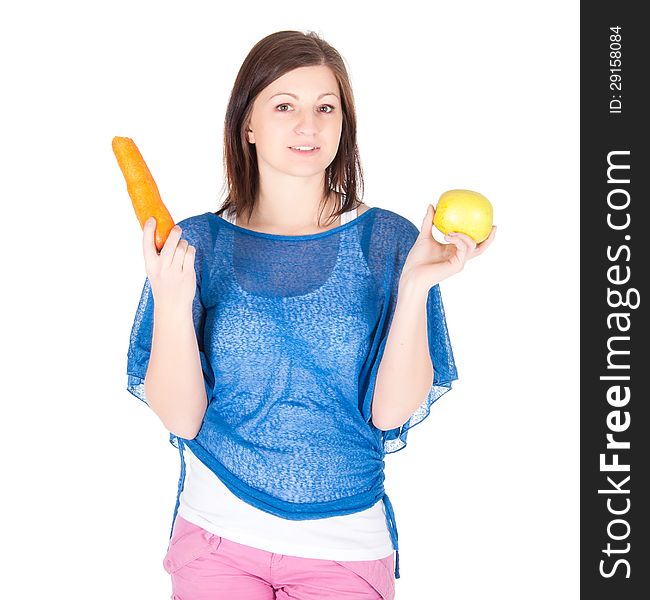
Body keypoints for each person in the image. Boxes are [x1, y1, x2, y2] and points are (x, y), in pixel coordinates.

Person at [126, 29, 495, 600]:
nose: (309, 125)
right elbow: (181, 420)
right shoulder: (194, 244)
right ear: (247, 125)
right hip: (216, 542)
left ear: (343, 123)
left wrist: (418, 285)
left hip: (344, 551)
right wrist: (173, 305)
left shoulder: (391, 242)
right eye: (284, 106)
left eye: (326, 108)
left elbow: (391, 412)